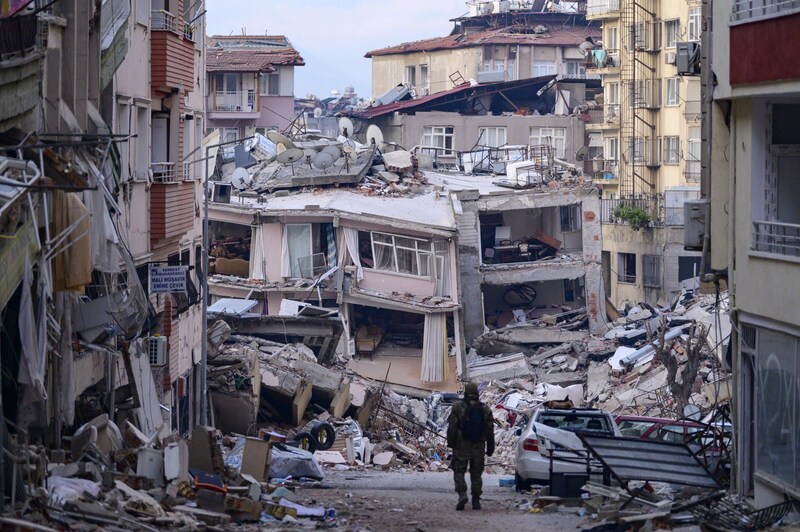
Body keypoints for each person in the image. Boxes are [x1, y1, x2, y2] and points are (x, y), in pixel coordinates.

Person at [447, 382, 495, 511]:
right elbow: (490, 430)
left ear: (465, 393)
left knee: (458, 470)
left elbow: (452, 427)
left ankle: (462, 494)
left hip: (461, 444)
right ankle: (475, 500)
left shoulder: (458, 407)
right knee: (476, 473)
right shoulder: (485, 409)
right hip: (478, 445)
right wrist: (490, 447)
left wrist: (451, 442)